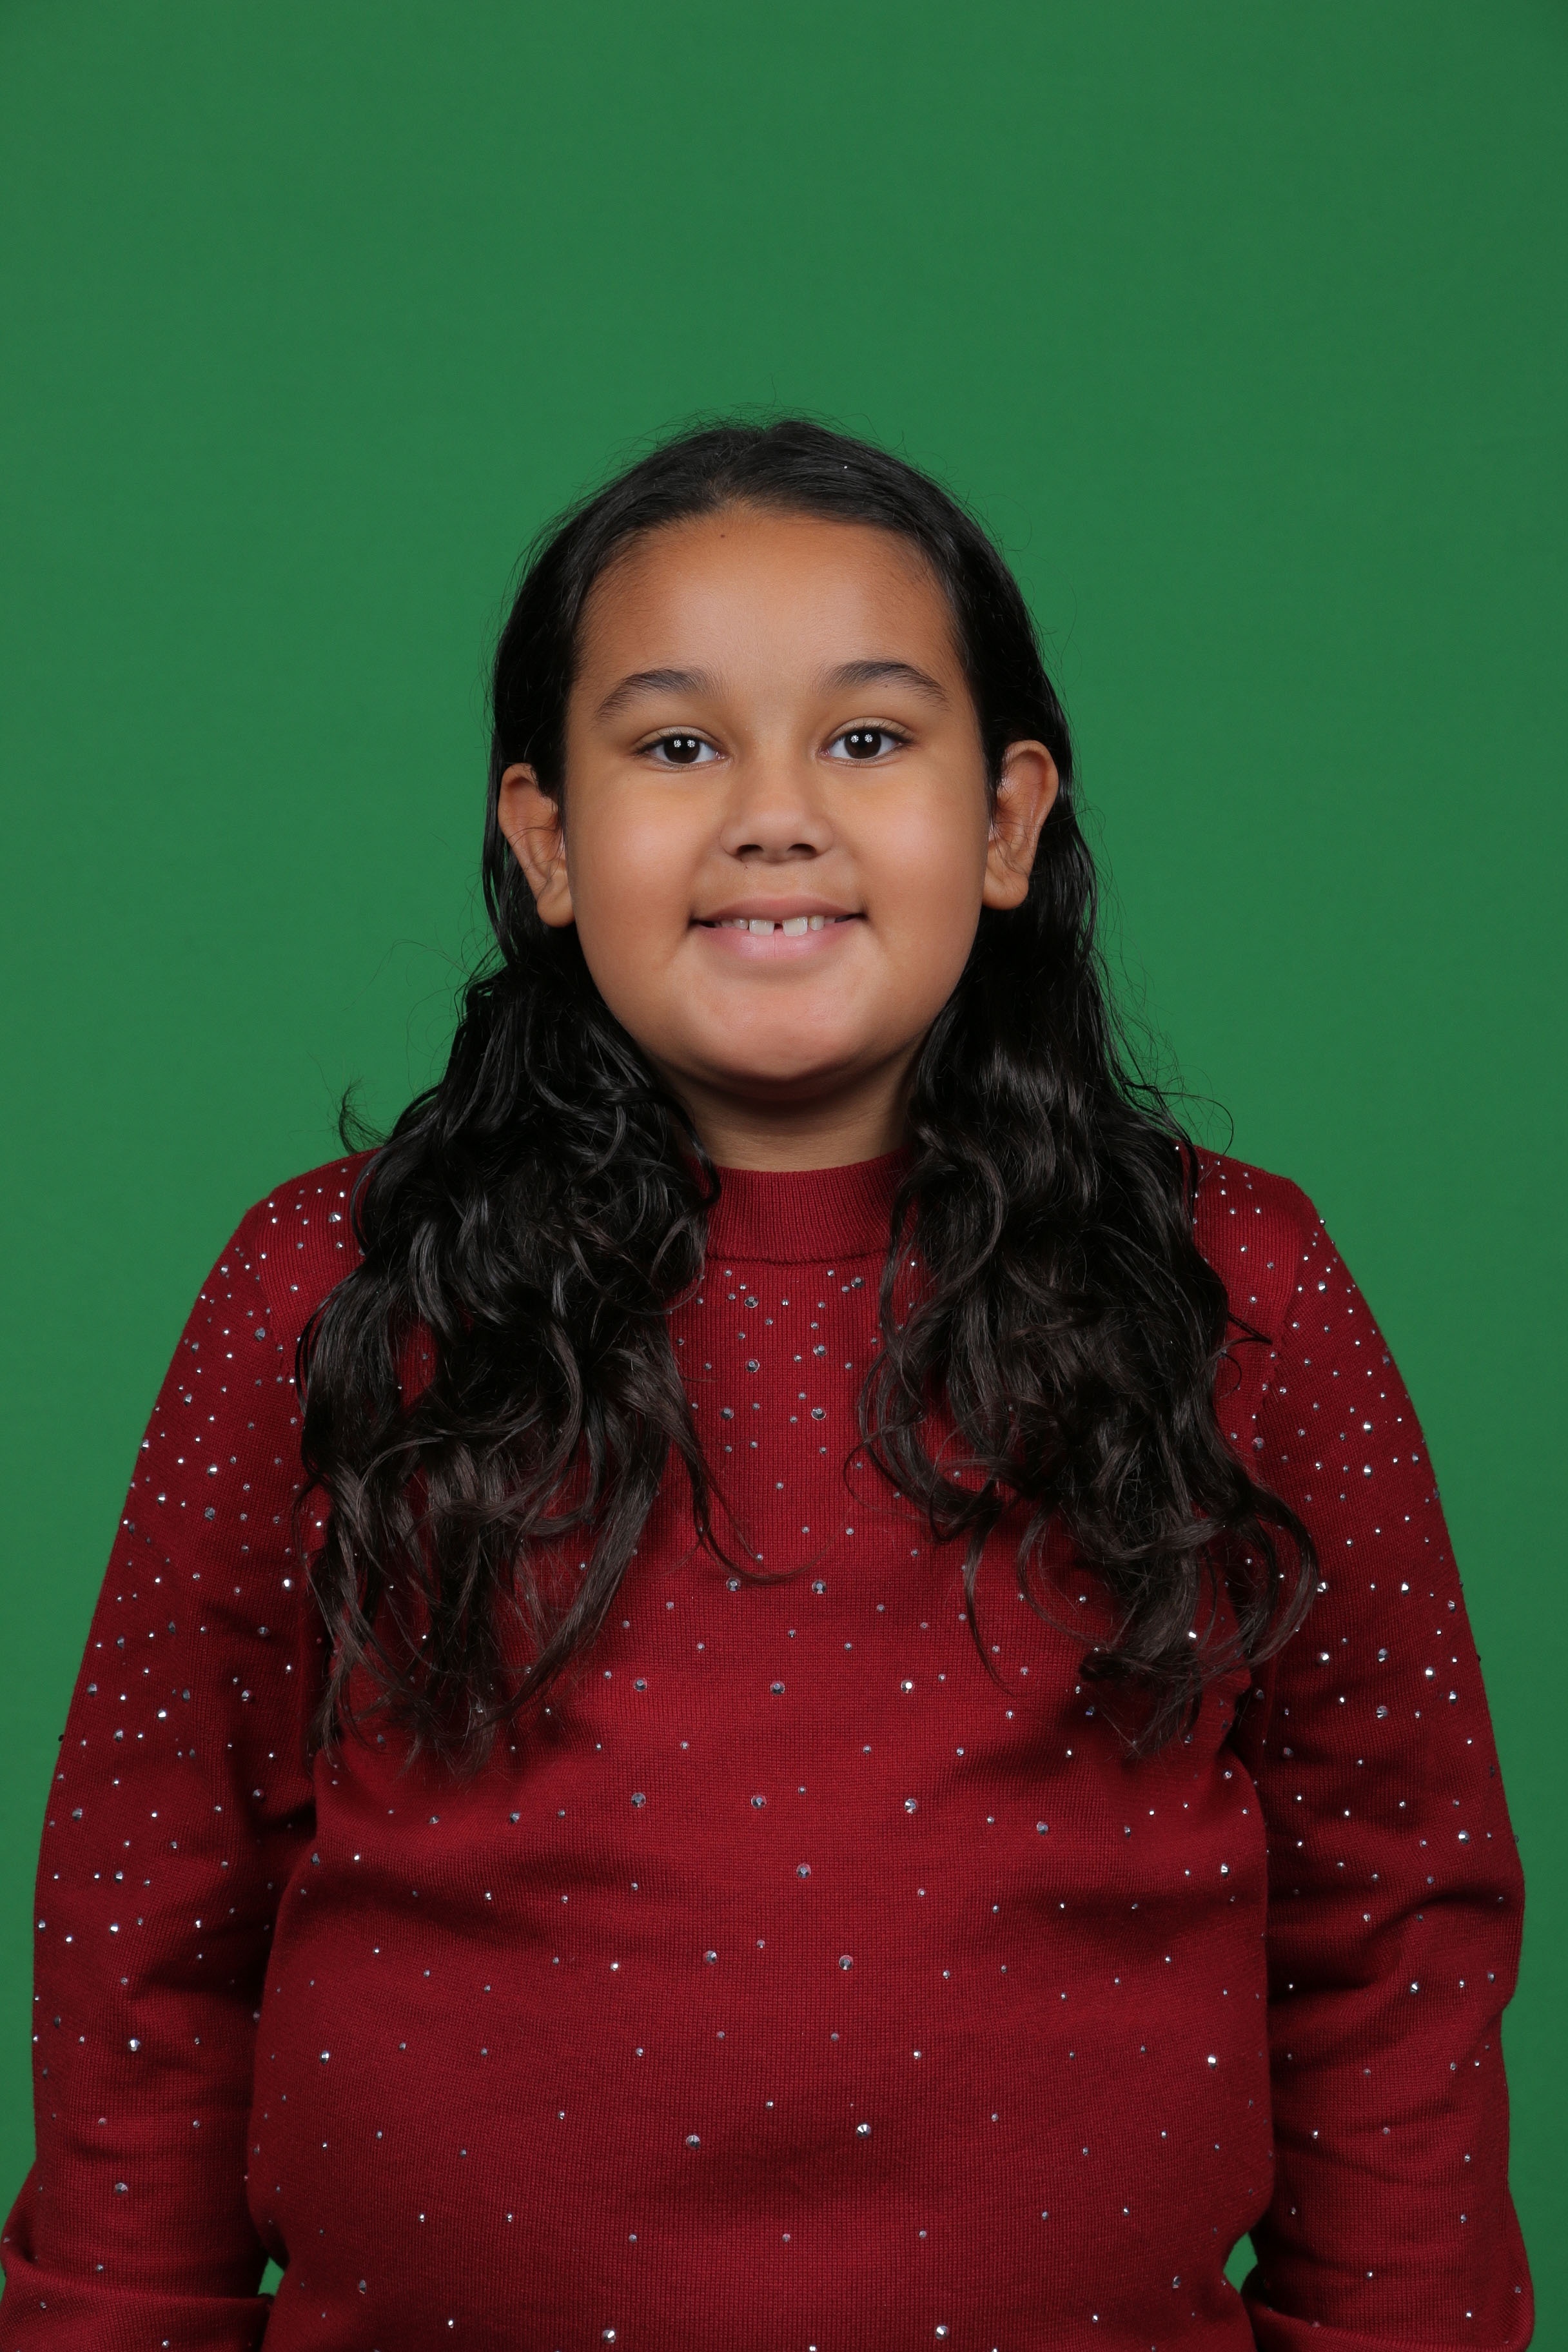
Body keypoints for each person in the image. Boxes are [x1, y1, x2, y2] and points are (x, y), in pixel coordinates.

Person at [1, 421, 1531, 2351]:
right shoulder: (328, 1296)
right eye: (676, 747)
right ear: (547, 841)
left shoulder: (1245, 1295)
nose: (775, 815)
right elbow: (150, 1930)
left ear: (1009, 822)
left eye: (868, 738)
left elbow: (1391, 1935)